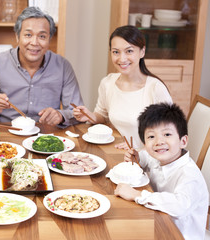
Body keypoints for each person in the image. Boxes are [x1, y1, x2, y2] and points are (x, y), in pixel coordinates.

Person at [0, 6, 83, 127]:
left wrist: (60, 116)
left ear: (49, 39)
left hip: (46, 135)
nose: (34, 42)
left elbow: (78, 112)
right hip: (6, 135)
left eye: (42, 36)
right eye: (28, 35)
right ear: (17, 37)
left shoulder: (63, 66)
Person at [114, 103, 208, 240]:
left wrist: (137, 195)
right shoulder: (161, 156)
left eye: (167, 134)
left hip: (179, 234)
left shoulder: (189, 175)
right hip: (158, 222)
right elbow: (147, 157)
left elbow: (179, 205)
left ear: (183, 141)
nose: (159, 141)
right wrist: (138, 157)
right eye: (151, 137)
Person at [73, 25, 172, 149]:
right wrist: (89, 115)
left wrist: (138, 148)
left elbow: (169, 137)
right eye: (116, 52)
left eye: (129, 51)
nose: (122, 59)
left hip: (148, 159)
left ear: (142, 51)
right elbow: (103, 116)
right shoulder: (108, 83)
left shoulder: (155, 88)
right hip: (118, 152)